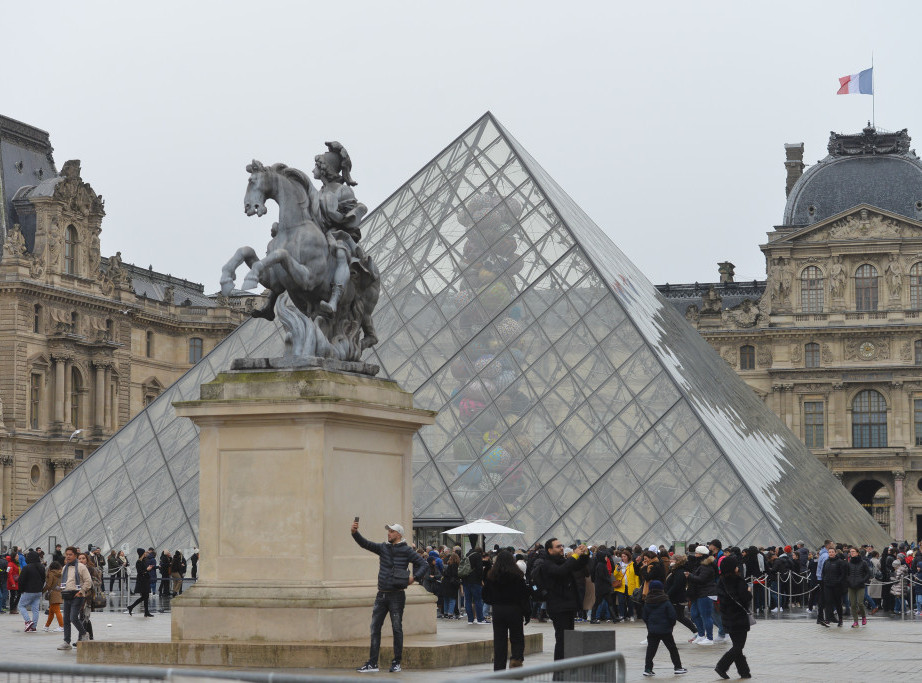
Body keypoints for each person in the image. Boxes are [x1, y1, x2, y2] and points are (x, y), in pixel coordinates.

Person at [352, 520, 427, 674]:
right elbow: (365, 544)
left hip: (397, 596)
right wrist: (355, 533)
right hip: (382, 594)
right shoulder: (383, 547)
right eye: (388, 531)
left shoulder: (406, 550)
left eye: (392, 531)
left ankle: (396, 662)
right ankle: (372, 663)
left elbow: (423, 565)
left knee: (397, 628)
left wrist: (414, 579)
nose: (389, 533)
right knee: (374, 628)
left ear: (399, 534)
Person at [540, 538, 589, 661]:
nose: (561, 548)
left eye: (562, 545)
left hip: (568, 605)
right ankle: (559, 673)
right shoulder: (547, 564)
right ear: (550, 550)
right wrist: (574, 556)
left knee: (569, 639)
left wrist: (584, 553)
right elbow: (561, 571)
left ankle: (566, 668)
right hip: (558, 607)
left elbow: (578, 565)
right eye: (558, 546)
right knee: (562, 640)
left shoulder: (561, 560)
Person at [482, 550, 531, 670]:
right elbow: (524, 596)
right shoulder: (517, 576)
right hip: (515, 610)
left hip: (498, 610)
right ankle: (516, 659)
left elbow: (485, 595)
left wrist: (494, 602)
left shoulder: (492, 576)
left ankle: (499, 668)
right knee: (517, 638)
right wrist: (527, 612)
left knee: (499, 640)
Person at [714, 556, 752, 679]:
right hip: (738, 617)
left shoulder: (721, 581)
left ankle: (744, 672)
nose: (737, 568)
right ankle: (721, 666)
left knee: (737, 645)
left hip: (727, 616)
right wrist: (749, 591)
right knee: (738, 646)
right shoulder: (738, 581)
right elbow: (745, 598)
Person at [641, 579, 687, 677]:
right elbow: (672, 616)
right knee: (672, 649)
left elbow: (644, 617)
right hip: (665, 630)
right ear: (661, 589)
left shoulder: (647, 602)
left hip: (652, 631)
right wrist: (670, 625)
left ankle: (647, 669)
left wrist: (650, 626)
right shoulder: (665, 601)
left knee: (651, 650)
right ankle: (678, 667)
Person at [58, 546, 92, 650]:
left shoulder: (81, 567)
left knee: (73, 617)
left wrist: (81, 591)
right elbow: (65, 581)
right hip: (67, 594)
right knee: (66, 619)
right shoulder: (65, 567)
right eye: (66, 554)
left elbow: (88, 581)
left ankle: (84, 634)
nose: (68, 557)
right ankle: (66, 642)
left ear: (75, 555)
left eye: (70, 555)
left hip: (78, 595)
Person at [686, 545, 717, 645]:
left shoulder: (706, 566)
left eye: (697, 553)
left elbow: (701, 579)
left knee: (706, 616)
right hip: (698, 593)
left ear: (701, 555)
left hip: (706, 593)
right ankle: (701, 635)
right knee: (695, 614)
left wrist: (690, 576)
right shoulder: (700, 564)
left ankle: (710, 638)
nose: (695, 555)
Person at [17, 550, 45, 632]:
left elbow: (21, 580)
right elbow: (43, 579)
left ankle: (28, 621)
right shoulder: (41, 567)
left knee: (21, 606)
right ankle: (34, 627)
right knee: (35, 609)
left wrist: (21, 590)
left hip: (28, 591)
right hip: (38, 591)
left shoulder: (26, 567)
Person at [845, 546, 871, 627]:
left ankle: (863, 617)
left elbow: (868, 573)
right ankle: (855, 621)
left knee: (860, 603)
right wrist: (848, 580)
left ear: (857, 553)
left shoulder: (863, 563)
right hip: (851, 585)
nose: (852, 553)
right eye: (851, 552)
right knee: (852, 604)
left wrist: (863, 580)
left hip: (860, 585)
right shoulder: (849, 563)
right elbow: (846, 573)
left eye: (853, 551)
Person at [822, 545, 847, 626]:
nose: (831, 553)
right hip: (827, 585)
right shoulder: (826, 562)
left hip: (837, 586)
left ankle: (840, 619)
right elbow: (823, 572)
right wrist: (824, 579)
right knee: (828, 602)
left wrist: (838, 581)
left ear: (835, 553)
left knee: (837, 603)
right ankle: (828, 619)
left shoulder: (840, 562)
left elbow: (843, 574)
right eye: (829, 552)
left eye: (832, 552)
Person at [126, 548, 154, 617]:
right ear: (142, 553)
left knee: (145, 597)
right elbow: (140, 572)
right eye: (144, 553)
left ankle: (134, 608)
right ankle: (143, 611)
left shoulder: (143, 561)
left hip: (145, 580)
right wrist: (147, 569)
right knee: (145, 596)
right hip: (142, 581)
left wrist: (148, 569)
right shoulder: (138, 562)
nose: (145, 554)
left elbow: (144, 570)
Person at [43, 560, 64, 632]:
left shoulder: (51, 573)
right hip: (58, 592)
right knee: (51, 611)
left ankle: (62, 626)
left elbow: (49, 584)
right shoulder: (60, 573)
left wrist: (43, 591)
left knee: (57, 611)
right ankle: (46, 626)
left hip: (53, 593)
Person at [440, 552, 461, 618]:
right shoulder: (455, 565)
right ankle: (450, 613)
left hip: (445, 583)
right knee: (452, 599)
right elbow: (454, 575)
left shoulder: (448, 565)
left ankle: (445, 613)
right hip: (451, 584)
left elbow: (445, 573)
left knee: (446, 599)